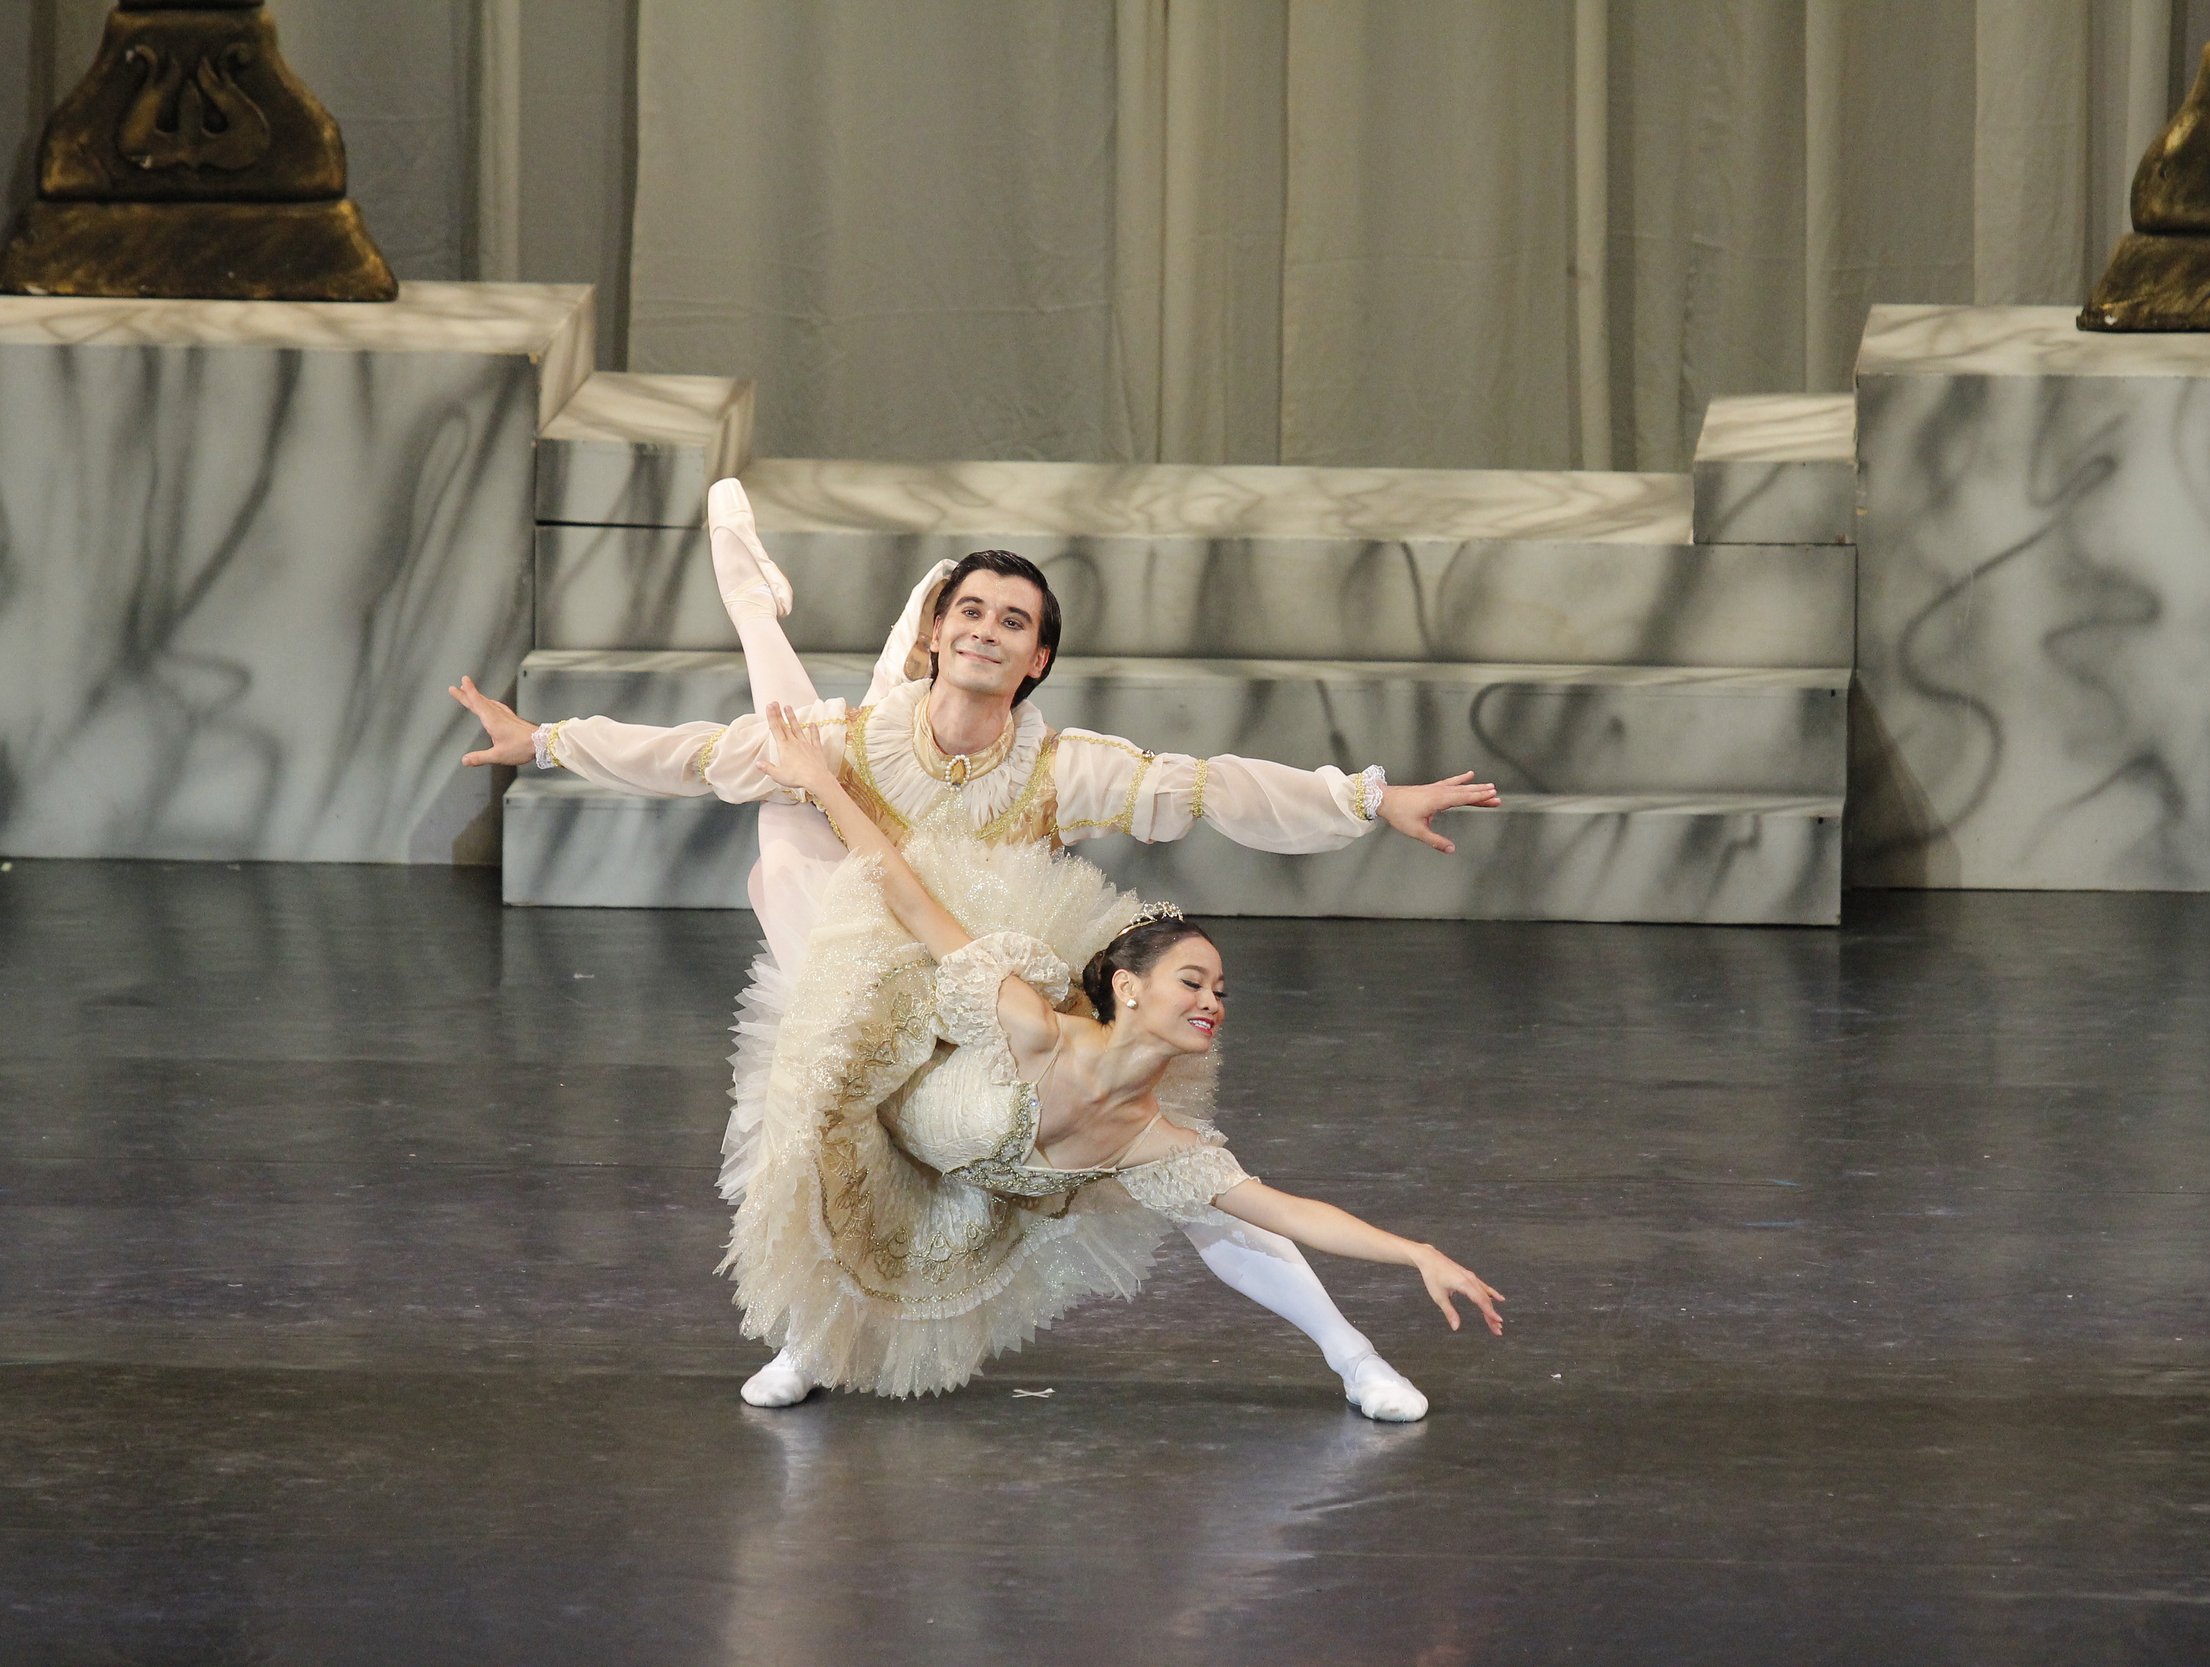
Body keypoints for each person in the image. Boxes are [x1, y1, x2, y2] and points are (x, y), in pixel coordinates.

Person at [451, 480, 1501, 1415]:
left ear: (1038, 656)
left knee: (1176, 1171)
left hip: (996, 972)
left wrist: (1369, 798)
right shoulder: (865, 738)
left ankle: (1350, 1352)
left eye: (1013, 620)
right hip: (876, 938)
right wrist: (542, 740)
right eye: (969, 611)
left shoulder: (1061, 767)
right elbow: (687, 755)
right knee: (797, 838)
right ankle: (814, 1337)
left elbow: (1212, 784)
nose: (988, 630)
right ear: (936, 635)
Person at [711, 695, 1502, 1402]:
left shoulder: (1152, 1139)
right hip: (880, 1079)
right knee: (785, 885)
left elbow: (1287, 1210)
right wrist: (820, 782)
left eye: (1220, 992)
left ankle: (1357, 1359)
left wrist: (1417, 1251)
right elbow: (907, 892)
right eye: (1193, 982)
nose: (1211, 1003)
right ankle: (809, 1344)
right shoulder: (1025, 1021)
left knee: (1211, 1211)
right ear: (1128, 988)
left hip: (974, 1192)